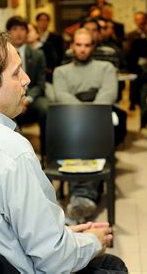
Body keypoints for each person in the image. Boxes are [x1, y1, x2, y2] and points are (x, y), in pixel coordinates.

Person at [0, 30, 127, 273]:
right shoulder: (11, 152)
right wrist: (93, 241)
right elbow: (54, 261)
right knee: (113, 264)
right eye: (16, 72)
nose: (26, 79)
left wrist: (63, 235)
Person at [53, 28, 124, 222]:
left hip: (99, 116)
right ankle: (81, 197)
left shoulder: (106, 68)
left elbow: (108, 94)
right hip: (72, 117)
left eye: (87, 45)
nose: (83, 49)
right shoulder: (61, 72)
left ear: (93, 46)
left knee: (93, 137)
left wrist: (90, 115)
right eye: (79, 45)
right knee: (76, 136)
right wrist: (84, 114)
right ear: (72, 46)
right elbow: (62, 95)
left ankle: (82, 197)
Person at [6, 16, 49, 156]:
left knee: (46, 107)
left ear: (27, 32)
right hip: (9, 97)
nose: (18, 33)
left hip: (31, 99)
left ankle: (46, 154)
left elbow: (40, 84)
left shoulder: (38, 55)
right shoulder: (2, 56)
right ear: (8, 32)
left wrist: (27, 99)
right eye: (14, 29)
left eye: (22, 29)